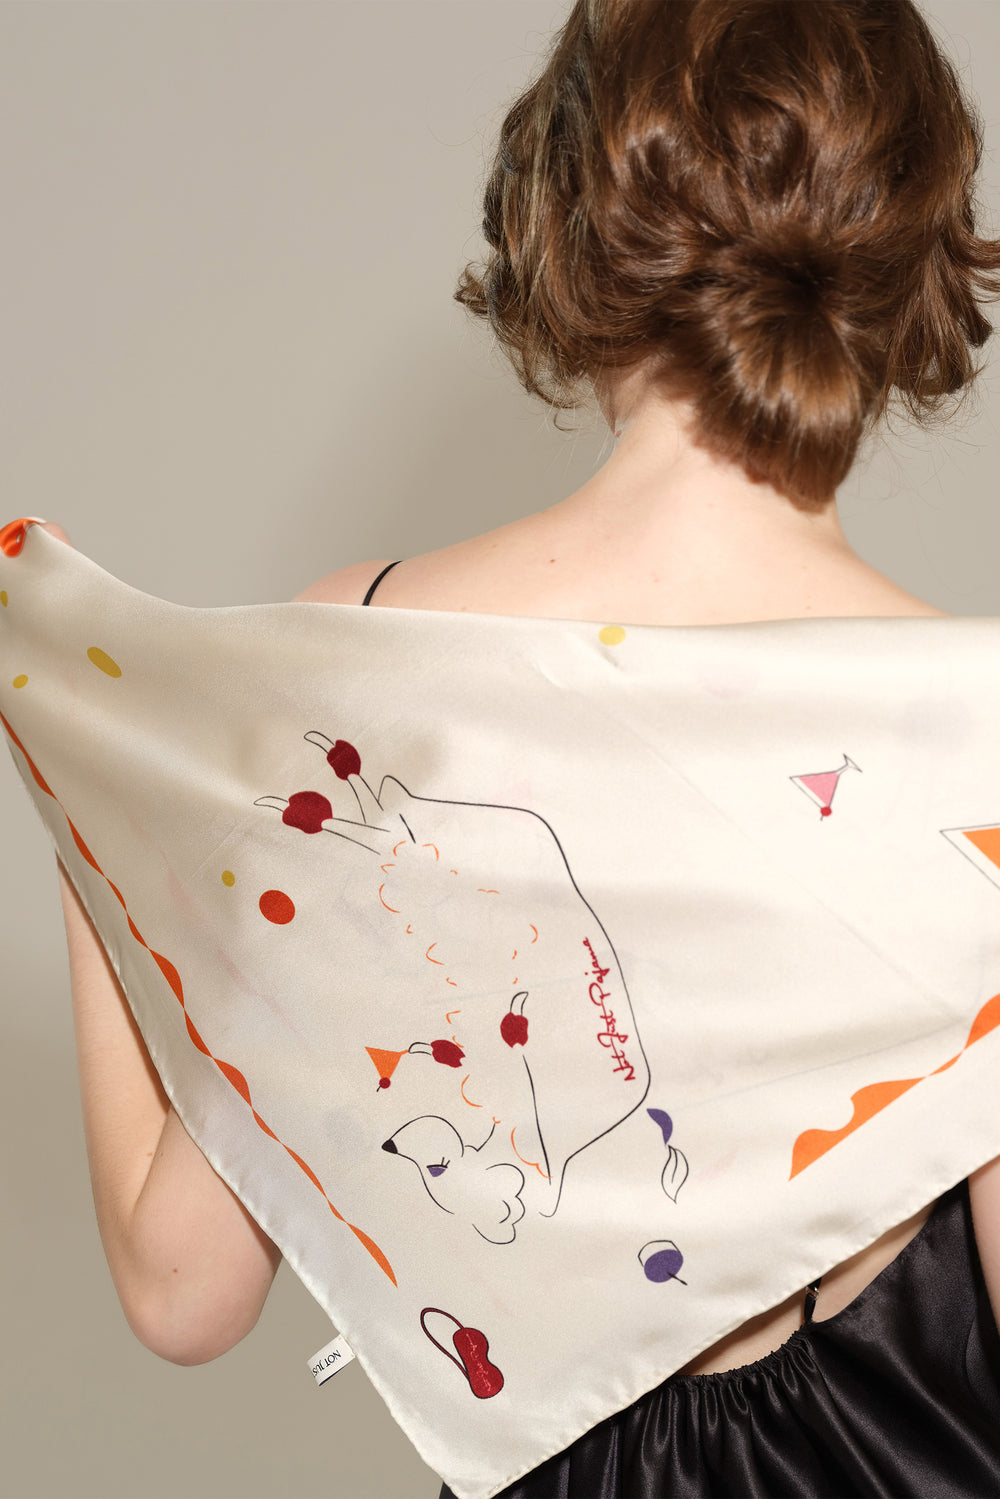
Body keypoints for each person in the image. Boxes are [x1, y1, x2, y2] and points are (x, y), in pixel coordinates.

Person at [38, 0, 1000, 1493]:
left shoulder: (360, 664)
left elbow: (184, 1290)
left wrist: (92, 796)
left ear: (567, 220)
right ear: (910, 261)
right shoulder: (978, 739)